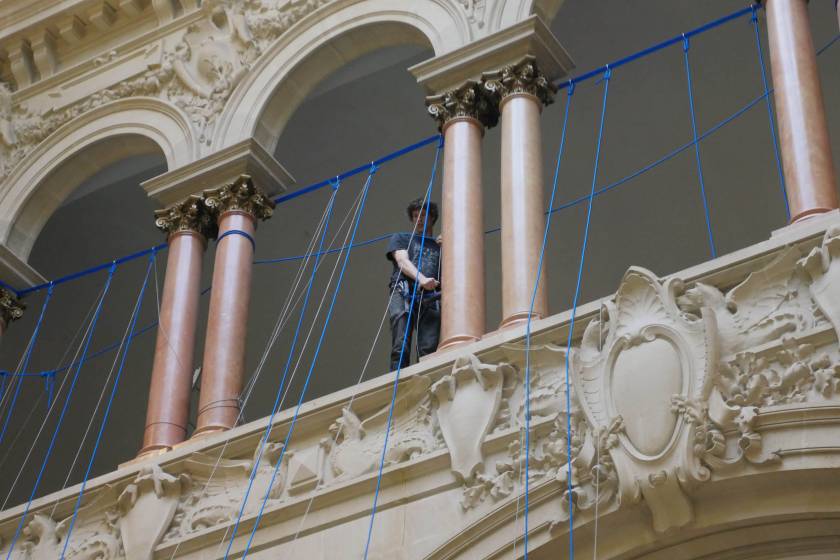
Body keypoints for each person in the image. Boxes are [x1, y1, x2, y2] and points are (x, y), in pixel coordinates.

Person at [386, 198, 442, 371]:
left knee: (428, 347)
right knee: (400, 343)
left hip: (431, 297)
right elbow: (402, 261)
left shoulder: (441, 246)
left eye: (423, 215)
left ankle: (425, 379)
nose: (419, 219)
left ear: (432, 218)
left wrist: (449, 246)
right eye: (415, 216)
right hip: (404, 290)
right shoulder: (402, 238)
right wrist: (422, 279)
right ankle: (398, 378)